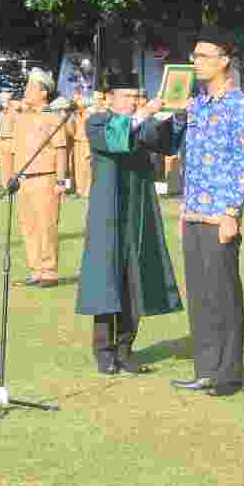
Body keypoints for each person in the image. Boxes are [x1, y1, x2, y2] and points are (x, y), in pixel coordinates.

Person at [167, 29, 244, 397]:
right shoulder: (196, 105)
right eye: (195, 55)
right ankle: (204, 368)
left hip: (221, 214)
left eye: (204, 56)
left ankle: (227, 373)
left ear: (224, 61)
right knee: (200, 296)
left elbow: (241, 160)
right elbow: (189, 161)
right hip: (194, 213)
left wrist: (232, 212)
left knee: (223, 294)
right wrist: (184, 209)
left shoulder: (239, 105)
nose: (196, 62)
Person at [75, 73, 182, 376]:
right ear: (109, 98)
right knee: (106, 280)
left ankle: (125, 348)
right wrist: (143, 114)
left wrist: (178, 114)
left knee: (135, 279)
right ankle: (104, 350)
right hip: (108, 211)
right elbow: (116, 138)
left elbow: (166, 143)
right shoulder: (97, 122)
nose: (134, 102)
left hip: (139, 210)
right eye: (127, 97)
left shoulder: (142, 122)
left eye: (137, 97)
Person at [12, 69, 73, 287]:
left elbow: (61, 150)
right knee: (27, 225)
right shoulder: (21, 118)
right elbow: (15, 149)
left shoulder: (52, 118)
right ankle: (36, 268)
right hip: (23, 179)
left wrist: (60, 181)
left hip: (45, 178)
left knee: (47, 224)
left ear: (44, 92)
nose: (27, 92)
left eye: (31, 88)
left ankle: (49, 270)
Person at [0, 97, 18, 191]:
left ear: (8, 102)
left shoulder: (14, 113)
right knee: (3, 166)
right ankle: (5, 187)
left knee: (11, 166)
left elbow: (17, 128)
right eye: (2, 101)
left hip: (11, 141)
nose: (3, 104)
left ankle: (12, 186)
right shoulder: (0, 113)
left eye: (4, 101)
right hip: (1, 141)